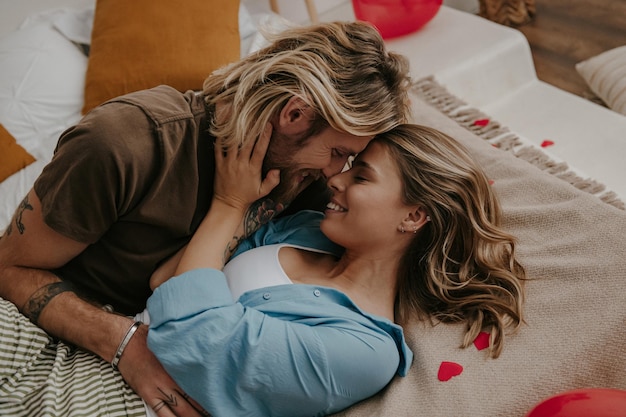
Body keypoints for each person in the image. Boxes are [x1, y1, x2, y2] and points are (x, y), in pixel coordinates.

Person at [0, 21, 411, 415]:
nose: (336, 175)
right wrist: (122, 342)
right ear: (294, 115)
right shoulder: (126, 143)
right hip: (47, 328)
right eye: (339, 153)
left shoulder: (307, 183)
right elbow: (9, 267)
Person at [0, 123, 525, 417]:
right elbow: (166, 282)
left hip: (132, 404)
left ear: (414, 215)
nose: (335, 182)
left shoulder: (364, 350)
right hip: (101, 347)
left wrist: (230, 204)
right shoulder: (303, 230)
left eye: (360, 175)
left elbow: (193, 334)